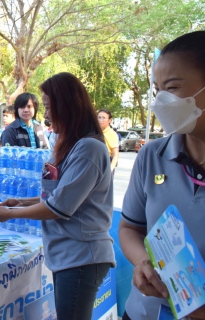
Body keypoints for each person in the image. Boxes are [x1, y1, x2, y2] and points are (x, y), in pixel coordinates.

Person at [0, 72, 115, 320]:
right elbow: (58, 195)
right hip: (67, 254)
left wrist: (10, 213)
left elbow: (58, 207)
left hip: (82, 256)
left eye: (48, 106)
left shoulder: (90, 148)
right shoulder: (68, 144)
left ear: (68, 106)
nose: (45, 114)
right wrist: (21, 201)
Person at [119, 31, 205, 320]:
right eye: (157, 90)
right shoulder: (151, 156)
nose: (160, 101)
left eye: (173, 87)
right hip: (146, 312)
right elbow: (130, 228)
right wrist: (143, 261)